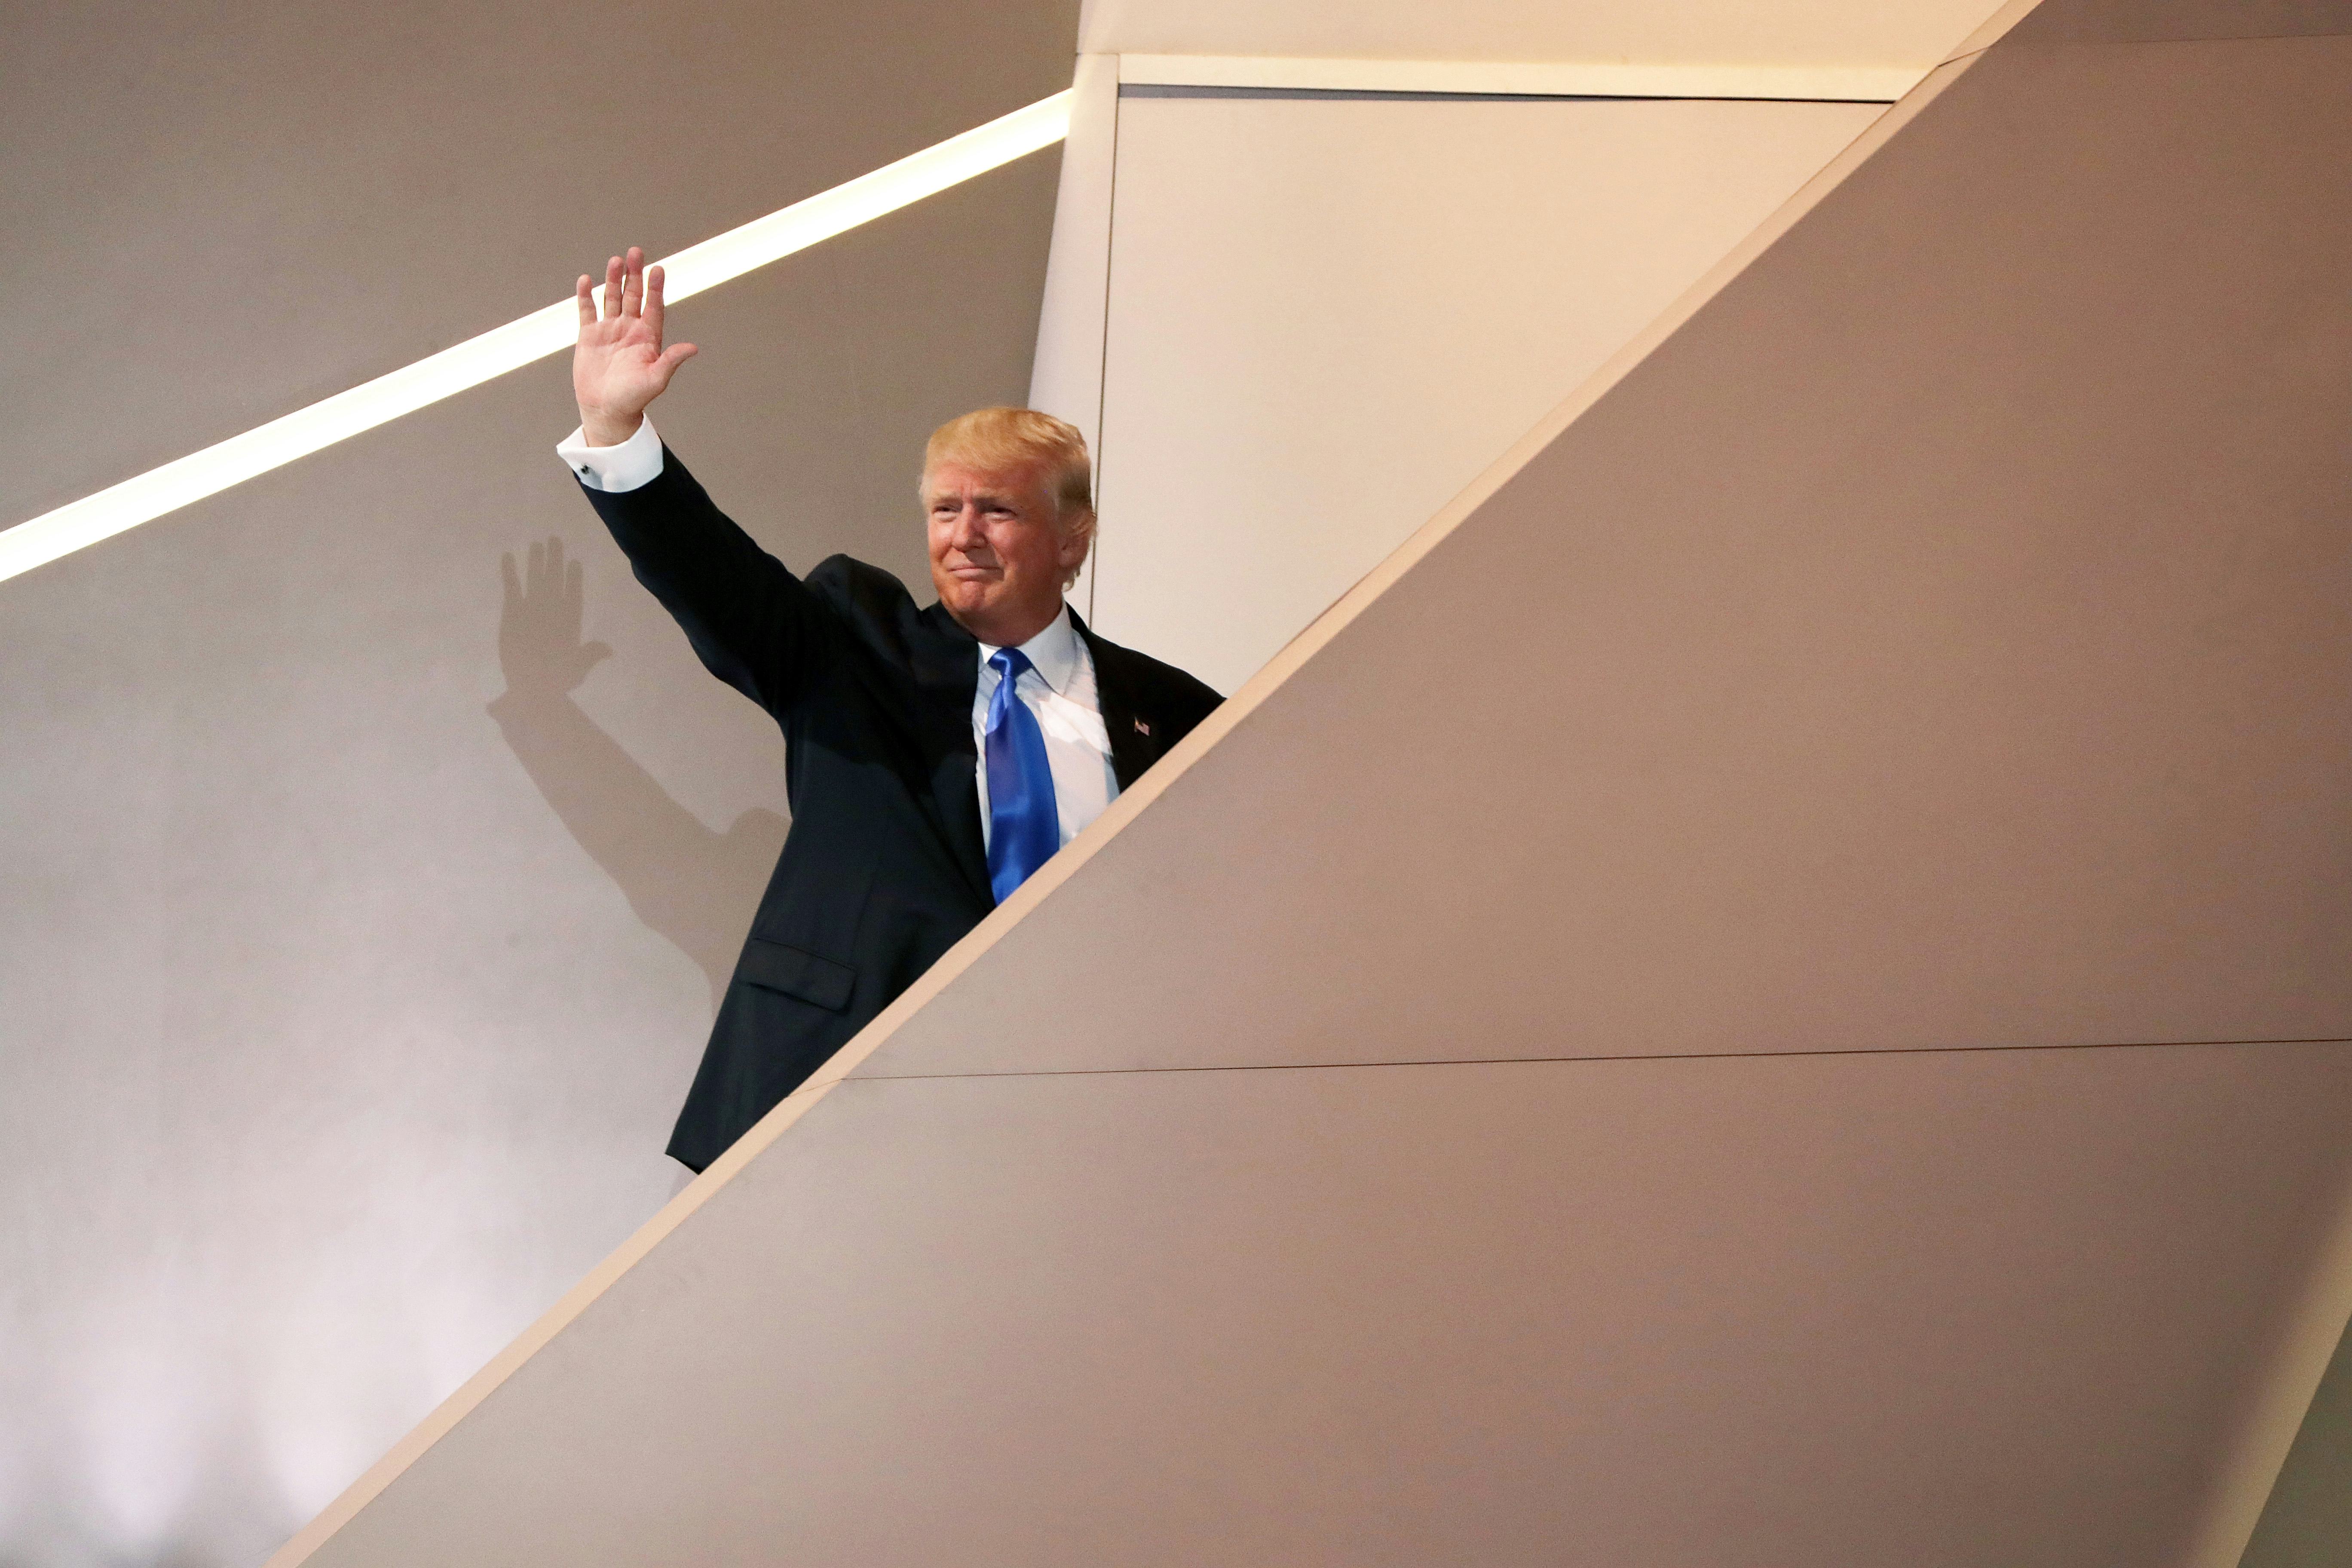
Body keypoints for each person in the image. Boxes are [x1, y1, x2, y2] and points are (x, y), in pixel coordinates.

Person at [557, 248, 1222, 1173]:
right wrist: (616, 429)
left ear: (1073, 540)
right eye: (945, 509)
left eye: (998, 510)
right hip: (846, 1106)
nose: (964, 536)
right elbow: (718, 580)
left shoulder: (1177, 713)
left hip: (1087, 1116)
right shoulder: (854, 648)